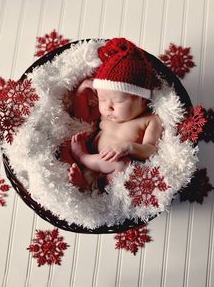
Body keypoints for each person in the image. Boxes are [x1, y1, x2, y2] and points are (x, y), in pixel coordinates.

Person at [66, 38, 163, 190]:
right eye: (102, 99)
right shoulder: (105, 114)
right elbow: (81, 119)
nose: (107, 107)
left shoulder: (150, 120)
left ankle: (84, 164)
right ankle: (83, 179)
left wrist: (129, 147)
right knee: (68, 142)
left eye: (117, 101)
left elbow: (151, 149)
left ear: (142, 100)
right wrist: (81, 92)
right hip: (92, 160)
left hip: (112, 174)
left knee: (122, 164)